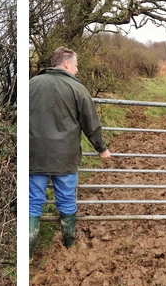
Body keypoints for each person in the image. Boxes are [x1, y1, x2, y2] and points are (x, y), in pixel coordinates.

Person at [29, 47, 111, 255]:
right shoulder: (77, 88)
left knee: (33, 201)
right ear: (66, 64)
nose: (76, 70)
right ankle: (69, 244)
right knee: (66, 198)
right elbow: (90, 122)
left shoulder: (32, 84)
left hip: (34, 154)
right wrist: (101, 148)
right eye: (75, 66)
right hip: (64, 156)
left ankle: (28, 252)